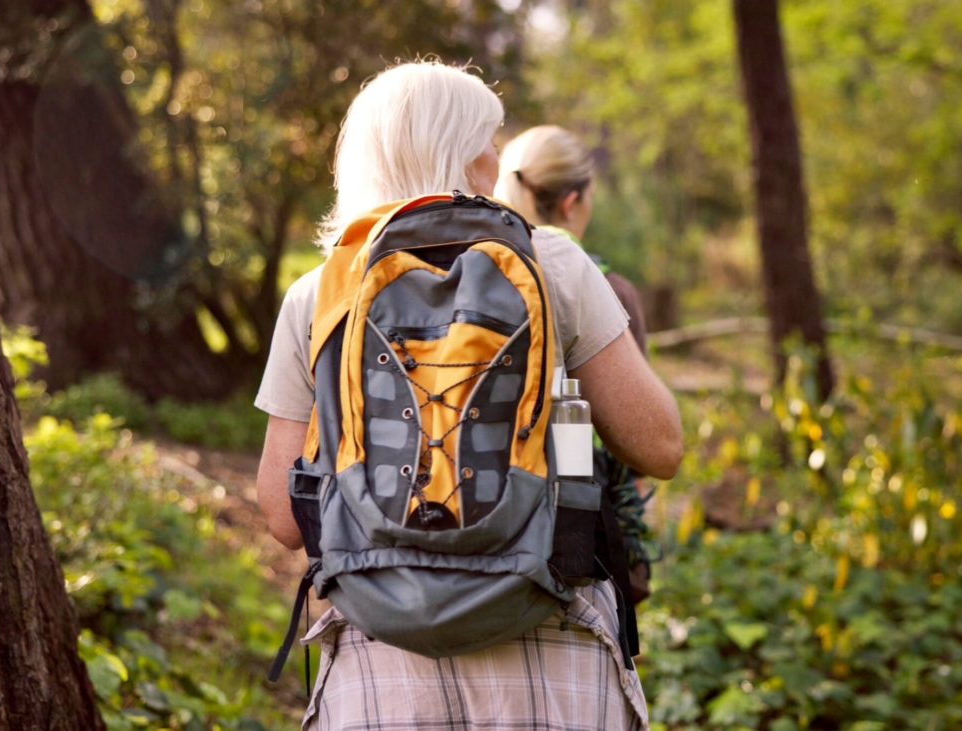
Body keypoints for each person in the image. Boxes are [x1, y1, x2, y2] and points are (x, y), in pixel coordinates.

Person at [253, 61, 682, 730]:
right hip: (548, 634)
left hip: (379, 651)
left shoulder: (320, 293)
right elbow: (659, 444)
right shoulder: (551, 263)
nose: (496, 158)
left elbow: (284, 517)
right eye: (489, 139)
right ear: (461, 153)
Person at [494, 125, 658, 601]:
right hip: (582, 523)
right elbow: (639, 444)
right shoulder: (612, 289)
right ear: (571, 202)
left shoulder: (476, 273)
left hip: (492, 509)